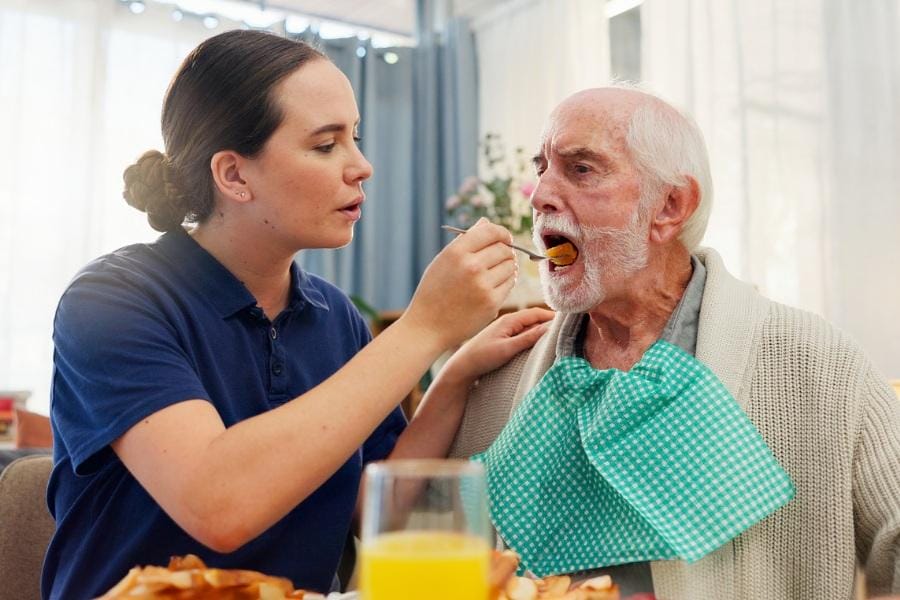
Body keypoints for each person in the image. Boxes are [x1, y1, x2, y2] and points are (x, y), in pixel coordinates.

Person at [44, 30, 553, 600]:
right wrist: (423, 328)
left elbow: (370, 504)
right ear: (234, 176)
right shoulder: (113, 300)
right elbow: (218, 503)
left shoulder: (335, 317)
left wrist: (454, 372)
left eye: (354, 138)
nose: (362, 167)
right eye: (325, 145)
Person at [445, 86, 900, 600]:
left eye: (581, 169)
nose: (541, 193)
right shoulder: (504, 371)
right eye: (542, 166)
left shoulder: (815, 363)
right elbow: (425, 541)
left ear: (671, 206)